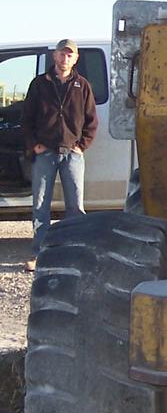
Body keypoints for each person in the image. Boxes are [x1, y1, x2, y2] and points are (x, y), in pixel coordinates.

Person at [21, 39, 98, 272]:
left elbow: (92, 121)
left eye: (69, 55)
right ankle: (40, 255)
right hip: (45, 153)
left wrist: (81, 145)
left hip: (72, 155)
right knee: (40, 206)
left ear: (75, 58)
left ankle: (75, 253)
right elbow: (26, 119)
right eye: (61, 54)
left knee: (75, 208)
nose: (65, 58)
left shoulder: (82, 85)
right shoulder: (39, 84)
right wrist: (34, 145)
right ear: (54, 56)